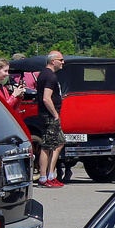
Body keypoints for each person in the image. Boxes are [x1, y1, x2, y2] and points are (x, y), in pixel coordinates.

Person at [35, 51, 66, 188]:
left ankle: (50, 174)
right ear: (53, 61)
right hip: (49, 115)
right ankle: (43, 177)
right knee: (47, 145)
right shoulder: (50, 76)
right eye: (61, 60)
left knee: (59, 142)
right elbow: (46, 98)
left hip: (50, 114)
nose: (63, 62)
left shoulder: (45, 74)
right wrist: (54, 114)